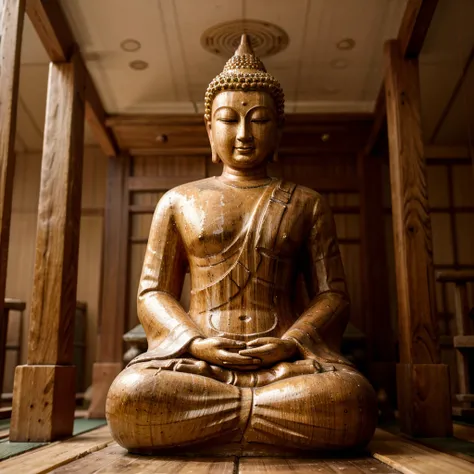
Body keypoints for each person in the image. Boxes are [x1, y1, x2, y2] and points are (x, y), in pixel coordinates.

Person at [106, 35, 377, 453]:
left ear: (279, 128)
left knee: (352, 399)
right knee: (131, 394)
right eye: (229, 119)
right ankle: (264, 420)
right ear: (209, 127)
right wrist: (195, 342)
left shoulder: (307, 202)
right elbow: (153, 291)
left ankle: (219, 423)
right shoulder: (179, 200)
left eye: (260, 120)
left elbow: (333, 295)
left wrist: (291, 342)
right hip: (201, 364)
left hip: (287, 365)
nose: (245, 133)